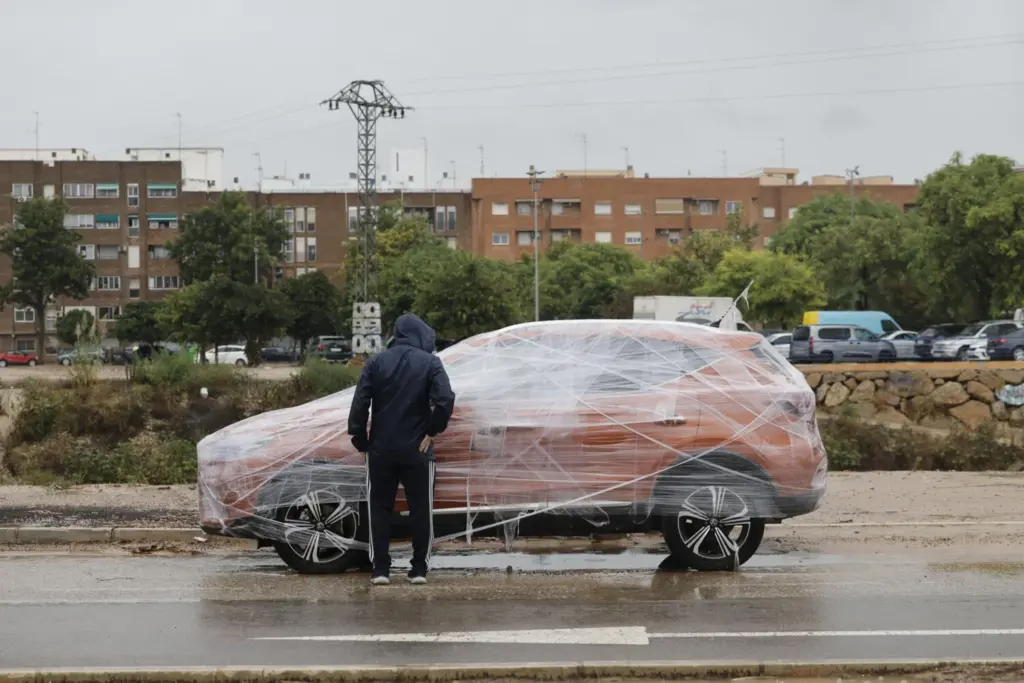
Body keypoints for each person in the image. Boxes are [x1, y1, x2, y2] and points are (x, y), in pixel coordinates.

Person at [347, 313, 456, 586]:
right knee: (421, 509)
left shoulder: (376, 362)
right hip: (417, 449)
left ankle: (380, 570)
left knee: (380, 509)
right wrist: (432, 431)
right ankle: (419, 569)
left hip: (381, 449)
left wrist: (361, 441)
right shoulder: (431, 362)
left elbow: (360, 404)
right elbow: (445, 399)